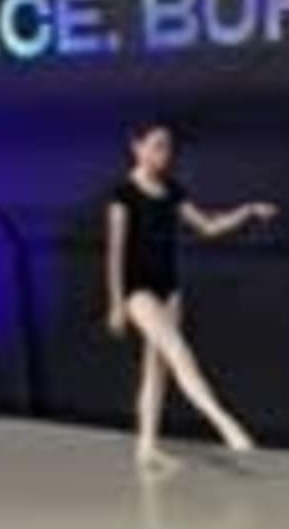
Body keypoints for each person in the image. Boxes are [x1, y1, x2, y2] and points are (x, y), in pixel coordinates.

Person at [103, 121, 274, 468]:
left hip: (169, 288)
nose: (162, 154)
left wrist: (247, 211)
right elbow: (115, 251)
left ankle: (146, 447)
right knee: (180, 353)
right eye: (155, 146)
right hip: (139, 290)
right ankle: (223, 421)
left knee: (156, 371)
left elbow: (208, 227)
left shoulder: (172, 191)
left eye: (166, 147)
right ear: (136, 147)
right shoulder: (123, 194)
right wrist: (116, 303)